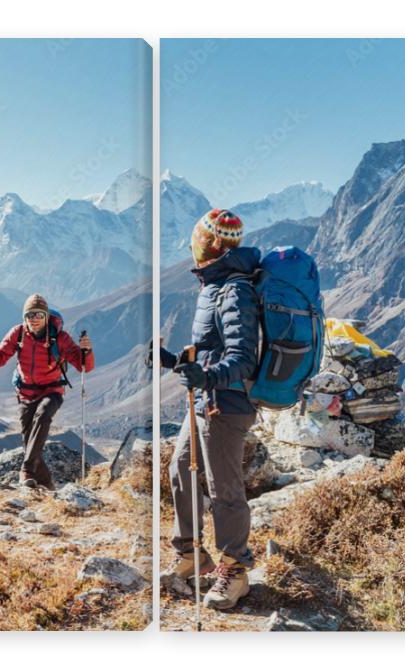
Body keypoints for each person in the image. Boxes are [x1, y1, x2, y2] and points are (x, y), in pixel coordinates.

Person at [157, 208, 261, 610]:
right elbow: (210, 347)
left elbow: (242, 358)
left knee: (224, 490)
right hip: (206, 399)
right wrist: (173, 361)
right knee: (180, 469)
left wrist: (208, 377)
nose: (193, 247)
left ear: (213, 245)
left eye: (199, 240)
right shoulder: (214, 286)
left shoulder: (235, 290)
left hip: (227, 405)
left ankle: (235, 572)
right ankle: (190, 554)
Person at [0, 294, 94, 490]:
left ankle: (25, 469)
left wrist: (86, 350)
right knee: (29, 441)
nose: (33, 319)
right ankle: (46, 483)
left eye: (38, 314)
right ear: (24, 317)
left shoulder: (59, 338)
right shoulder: (18, 333)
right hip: (26, 392)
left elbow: (83, 365)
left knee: (43, 417)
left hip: (52, 390)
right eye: (29, 315)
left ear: (45, 316)